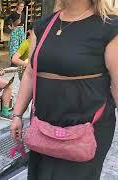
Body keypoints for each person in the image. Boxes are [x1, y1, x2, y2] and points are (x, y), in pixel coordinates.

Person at [10, 0, 118, 179]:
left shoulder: (109, 26)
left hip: (87, 129)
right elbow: (30, 73)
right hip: (44, 125)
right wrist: (17, 115)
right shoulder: (43, 25)